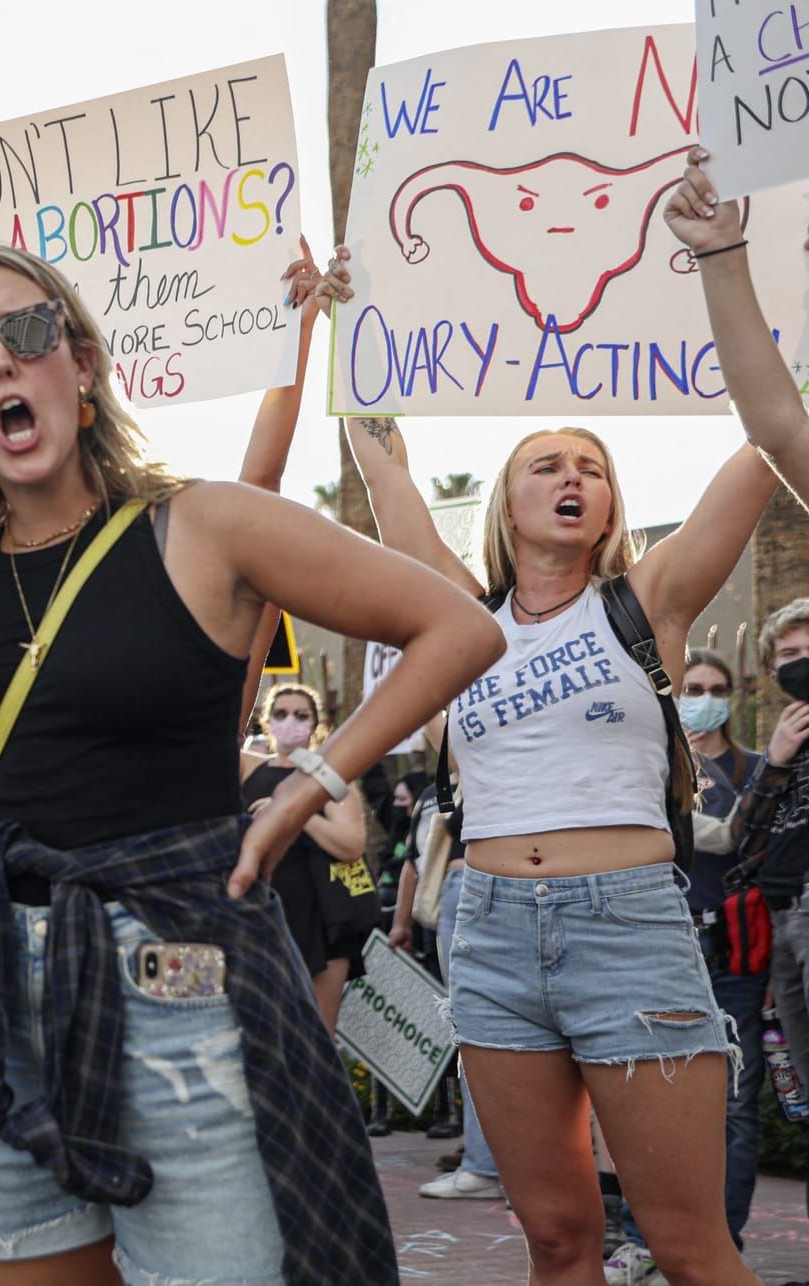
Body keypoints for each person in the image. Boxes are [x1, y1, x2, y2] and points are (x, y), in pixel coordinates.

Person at [0, 242, 499, 1281]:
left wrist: (305, 788)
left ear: (81, 366)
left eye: (29, 332)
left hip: (176, 978)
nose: (0, 362)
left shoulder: (201, 523)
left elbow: (455, 628)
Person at [318, 151, 800, 1278]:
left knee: (686, 1242)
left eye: (589, 463)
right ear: (506, 499)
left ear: (609, 502)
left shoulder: (652, 601)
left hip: (624, 922)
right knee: (553, 1234)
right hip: (487, 929)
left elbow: (768, 441)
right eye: (544, 462)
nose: (569, 475)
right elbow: (379, 457)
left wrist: (733, 266)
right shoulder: (455, 613)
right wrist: (351, 322)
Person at [601, 648, 769, 1282]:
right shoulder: (655, 761)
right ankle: (648, 1241)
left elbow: (746, 845)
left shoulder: (756, 768)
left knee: (737, 1103)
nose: (704, 697)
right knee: (654, 1093)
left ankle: (723, 1239)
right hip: (668, 943)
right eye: (692, 687)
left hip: (738, 950)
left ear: (734, 693)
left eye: (716, 687)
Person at [240, 683, 370, 1032]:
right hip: (261, 913)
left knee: (315, 1035)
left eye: (301, 715)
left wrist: (296, 810)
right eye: (281, 714)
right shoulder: (250, 770)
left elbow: (351, 844)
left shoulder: (327, 775)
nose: (290, 722)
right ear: (267, 721)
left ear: (316, 725)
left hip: (320, 919)